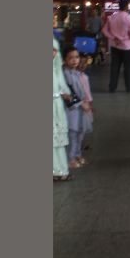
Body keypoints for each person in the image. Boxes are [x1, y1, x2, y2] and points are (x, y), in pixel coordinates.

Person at [62, 46, 89, 169]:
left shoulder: (77, 73)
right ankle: (70, 158)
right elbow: (66, 93)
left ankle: (78, 154)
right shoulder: (65, 74)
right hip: (71, 109)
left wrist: (86, 102)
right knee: (72, 133)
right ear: (64, 60)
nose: (75, 60)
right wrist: (81, 103)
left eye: (77, 57)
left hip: (80, 109)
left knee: (80, 132)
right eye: (71, 58)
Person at [102, 0, 130, 92]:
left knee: (114, 67)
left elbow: (104, 30)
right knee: (128, 68)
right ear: (126, 7)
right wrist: (127, 37)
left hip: (115, 45)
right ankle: (129, 87)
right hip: (127, 47)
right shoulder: (128, 18)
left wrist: (113, 37)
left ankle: (112, 87)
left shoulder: (112, 17)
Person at [53, 38, 72, 182]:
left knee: (58, 141)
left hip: (57, 107)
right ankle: (56, 170)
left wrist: (66, 94)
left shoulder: (56, 69)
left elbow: (63, 86)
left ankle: (62, 170)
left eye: (54, 50)